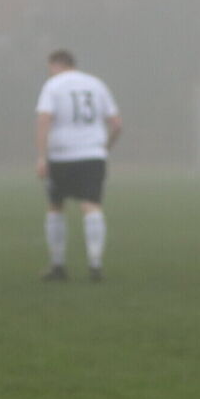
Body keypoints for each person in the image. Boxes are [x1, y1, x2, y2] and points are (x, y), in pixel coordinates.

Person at [34, 49, 121, 282]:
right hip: (92, 155)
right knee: (91, 206)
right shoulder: (96, 84)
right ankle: (95, 264)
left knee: (55, 205)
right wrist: (104, 148)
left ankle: (58, 265)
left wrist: (42, 157)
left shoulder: (53, 86)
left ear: (55, 65)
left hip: (61, 156)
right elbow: (116, 123)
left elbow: (44, 120)